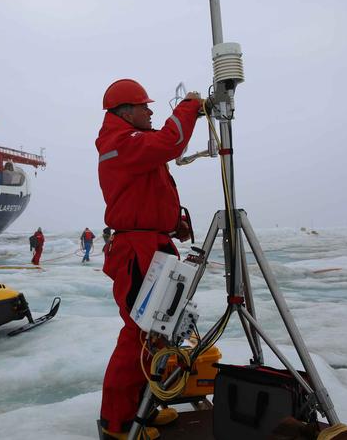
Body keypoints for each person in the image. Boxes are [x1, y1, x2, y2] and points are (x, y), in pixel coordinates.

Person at [96, 78, 202, 439]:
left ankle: (142, 409)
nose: (151, 111)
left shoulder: (133, 146)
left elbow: (147, 194)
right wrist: (190, 106)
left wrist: (175, 224)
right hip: (137, 252)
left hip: (152, 246)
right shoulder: (121, 144)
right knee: (140, 334)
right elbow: (171, 141)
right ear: (125, 111)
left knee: (156, 335)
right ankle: (117, 423)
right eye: (144, 106)